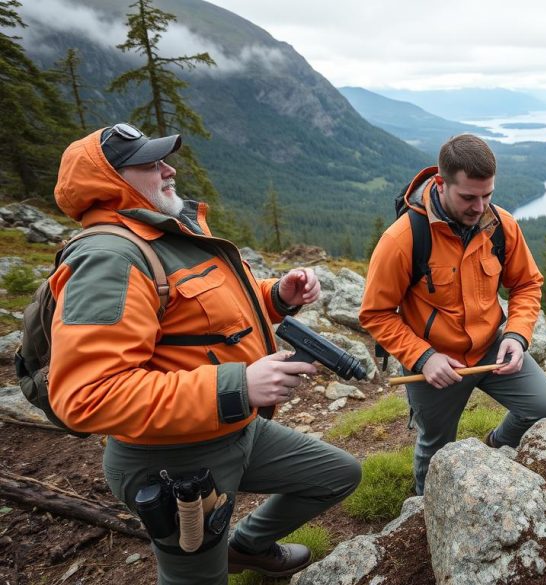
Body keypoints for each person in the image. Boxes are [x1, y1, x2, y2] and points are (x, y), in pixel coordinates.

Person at [48, 123, 361, 584]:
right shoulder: (111, 260)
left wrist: (277, 296)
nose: (169, 169)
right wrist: (239, 385)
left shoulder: (170, 235)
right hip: (175, 462)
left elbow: (202, 319)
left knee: (337, 475)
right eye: (151, 164)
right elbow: (86, 395)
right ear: (113, 180)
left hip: (233, 429)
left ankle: (247, 548)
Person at [360, 134, 546, 495]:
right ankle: (424, 513)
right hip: (435, 363)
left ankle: (496, 444)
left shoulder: (500, 225)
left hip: (491, 349)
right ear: (441, 184)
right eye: (469, 197)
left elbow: (527, 284)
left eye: (488, 195)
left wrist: (516, 335)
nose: (480, 206)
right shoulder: (403, 239)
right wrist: (423, 358)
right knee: (435, 448)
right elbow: (376, 314)